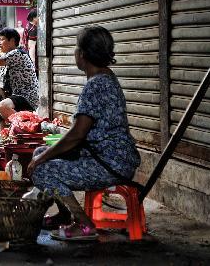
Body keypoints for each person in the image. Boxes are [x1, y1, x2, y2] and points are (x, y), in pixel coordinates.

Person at [27, 26, 140, 241]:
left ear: (83, 55)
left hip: (109, 164)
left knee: (41, 169)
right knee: (41, 152)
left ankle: (85, 225)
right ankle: (63, 214)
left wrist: (42, 159)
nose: (75, 53)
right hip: (112, 158)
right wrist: (44, 153)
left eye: (77, 48)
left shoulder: (96, 86)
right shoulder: (107, 78)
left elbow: (77, 134)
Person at [23, 9, 39, 75]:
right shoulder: (33, 29)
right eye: (38, 16)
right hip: (33, 57)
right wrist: (33, 64)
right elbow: (31, 47)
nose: (39, 18)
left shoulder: (29, 26)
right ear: (34, 18)